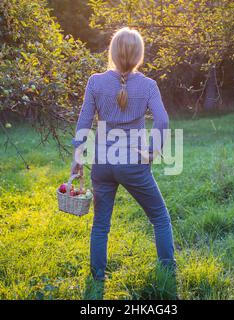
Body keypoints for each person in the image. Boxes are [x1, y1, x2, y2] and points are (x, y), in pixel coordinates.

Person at [71, 27, 175, 281]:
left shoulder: (95, 82)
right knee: (160, 218)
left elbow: (84, 121)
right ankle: (168, 275)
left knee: (101, 224)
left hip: (103, 163)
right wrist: (152, 151)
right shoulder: (149, 86)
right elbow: (162, 122)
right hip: (133, 162)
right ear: (139, 55)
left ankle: (97, 278)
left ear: (113, 52)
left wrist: (77, 158)